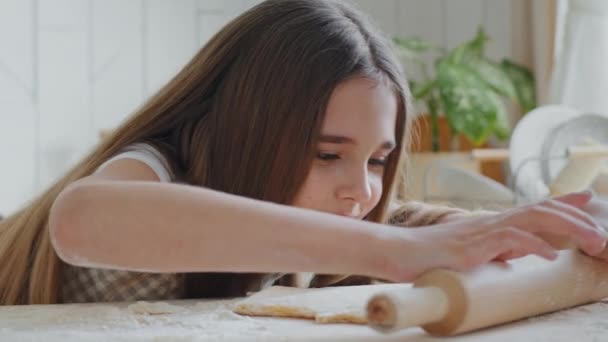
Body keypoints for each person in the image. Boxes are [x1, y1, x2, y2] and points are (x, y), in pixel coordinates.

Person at [1, 0, 606, 305]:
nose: (362, 191)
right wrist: (396, 252)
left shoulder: (327, 222)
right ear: (248, 126)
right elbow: (81, 220)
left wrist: (533, 232)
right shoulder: (156, 167)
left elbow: (402, 222)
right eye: (326, 154)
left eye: (376, 160)